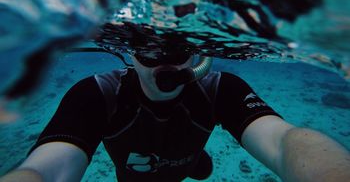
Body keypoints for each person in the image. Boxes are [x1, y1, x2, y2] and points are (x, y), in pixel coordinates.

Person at [1, 52, 350, 182]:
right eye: (150, 51)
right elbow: (48, 168)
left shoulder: (220, 88)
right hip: (133, 177)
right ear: (130, 54)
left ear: (197, 55)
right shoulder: (96, 94)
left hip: (183, 161)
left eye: (177, 49)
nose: (165, 64)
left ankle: (195, 160)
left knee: (198, 168)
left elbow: (282, 140)